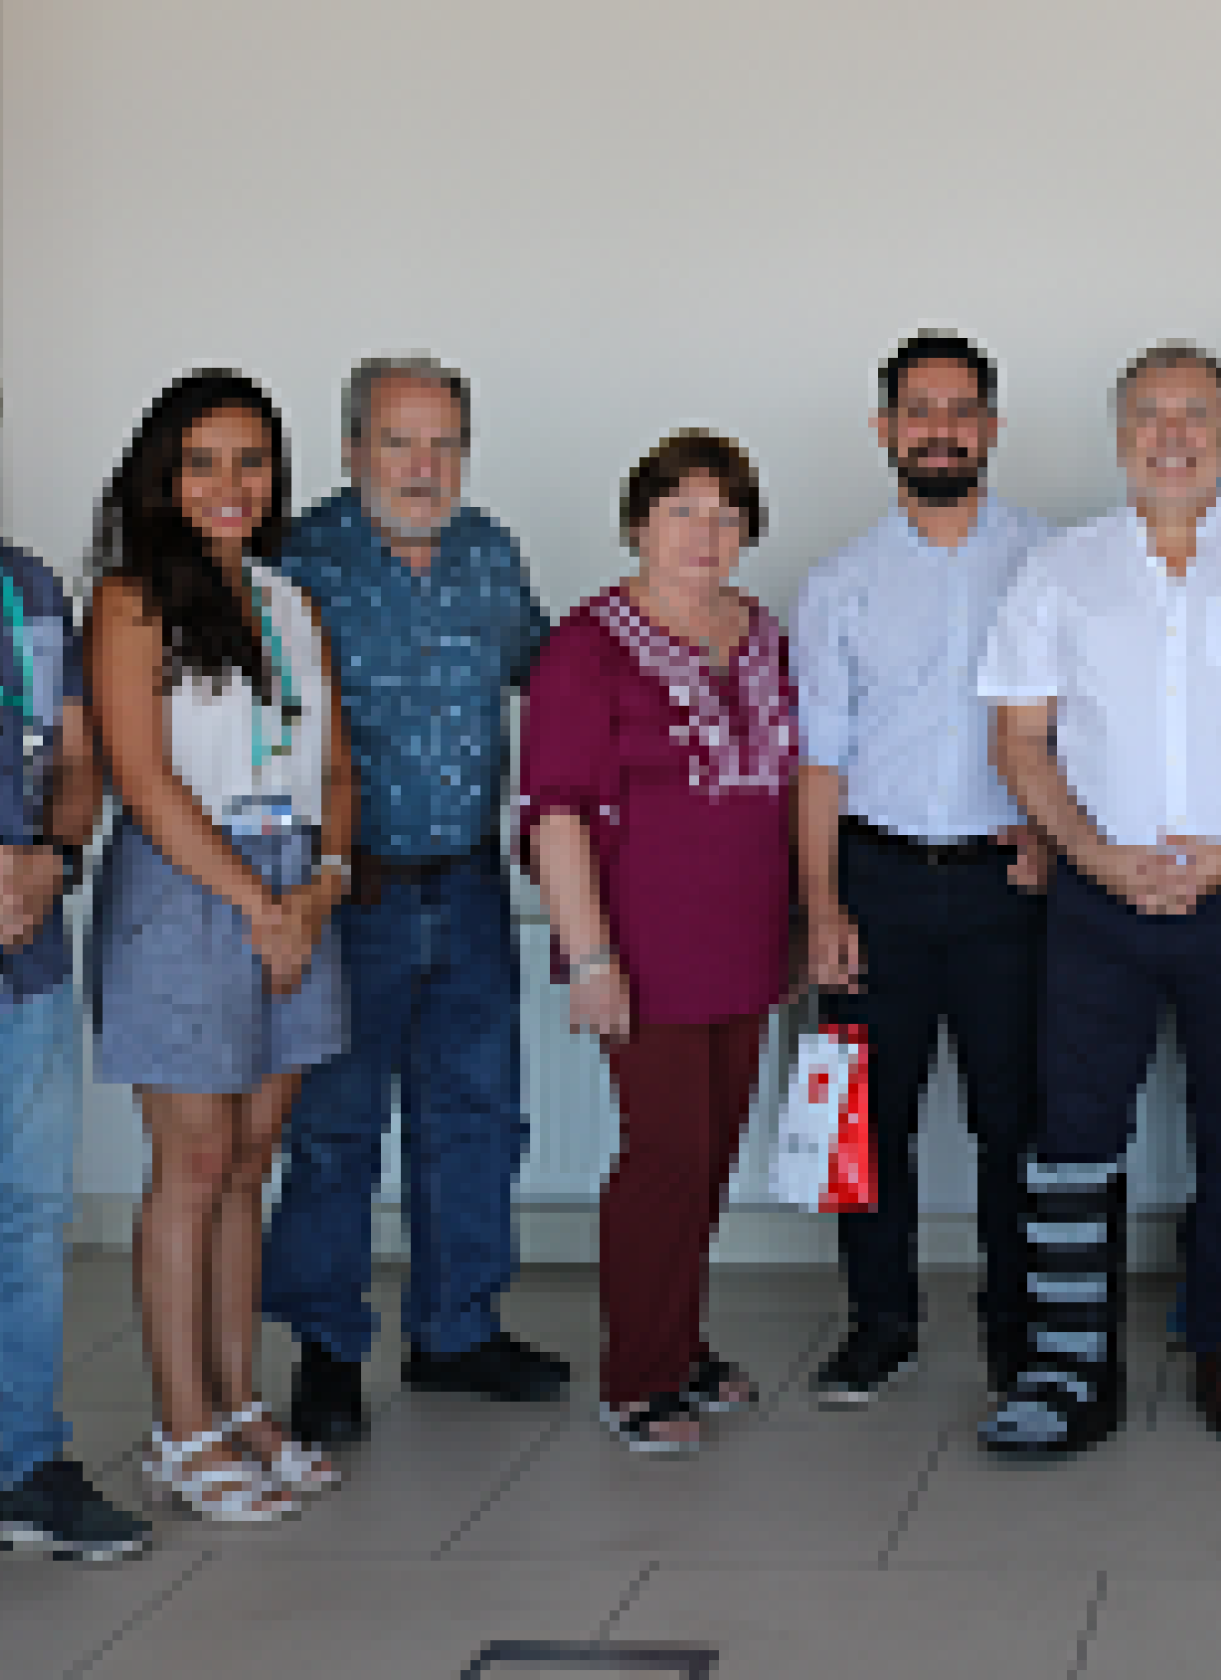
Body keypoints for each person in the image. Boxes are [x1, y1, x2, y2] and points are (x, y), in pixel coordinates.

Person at [976, 344, 1221, 1457]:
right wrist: (1095, 856)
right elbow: (1021, 740)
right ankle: (1066, 1365)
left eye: (1196, 415)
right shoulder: (1061, 572)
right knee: (1072, 1132)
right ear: (1119, 437)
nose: (1173, 434)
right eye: (1150, 414)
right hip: (1099, 901)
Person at [260, 355, 565, 1450]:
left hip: (470, 889)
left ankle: (455, 1333)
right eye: (399, 442)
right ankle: (328, 1351)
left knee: (476, 1120)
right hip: (349, 897)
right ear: (352, 450)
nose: (423, 467)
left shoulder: (489, 553)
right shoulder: (296, 563)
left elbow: (556, 676)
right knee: (336, 1132)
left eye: (443, 444)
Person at [88, 370, 354, 1519]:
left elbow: (337, 770)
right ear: (164, 474)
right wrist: (257, 904)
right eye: (203, 462)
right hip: (190, 887)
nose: (229, 485)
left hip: (297, 886)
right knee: (192, 1166)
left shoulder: (292, 600)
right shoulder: (131, 599)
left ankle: (244, 1404)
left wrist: (320, 888)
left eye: (251, 461)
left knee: (253, 1159)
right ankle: (180, 1427)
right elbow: (143, 781)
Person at [521, 431, 797, 1454]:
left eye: (726, 514)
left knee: (714, 1152)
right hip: (642, 951)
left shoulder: (762, 633)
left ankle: (680, 1346)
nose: (705, 533)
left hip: (748, 941)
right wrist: (589, 958)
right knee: (663, 1158)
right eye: (682, 510)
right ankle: (635, 1377)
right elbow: (553, 811)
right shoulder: (586, 646)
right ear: (638, 521)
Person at [796, 332, 1051, 1406]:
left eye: (961, 409)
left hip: (1009, 883)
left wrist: (1055, 835)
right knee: (868, 1119)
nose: (940, 429)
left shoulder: (1051, 562)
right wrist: (820, 904)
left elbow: (1084, 726)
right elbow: (819, 757)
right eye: (918, 409)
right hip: (877, 882)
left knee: (1015, 1120)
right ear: (885, 428)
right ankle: (880, 1323)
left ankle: (1016, 1325)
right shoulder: (838, 583)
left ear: (991, 428)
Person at [0, 382, 148, 1559]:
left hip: (27, 959)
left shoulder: (32, 588)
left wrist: (55, 854)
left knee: (31, 1216)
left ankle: (23, 1465)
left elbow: (82, 758)